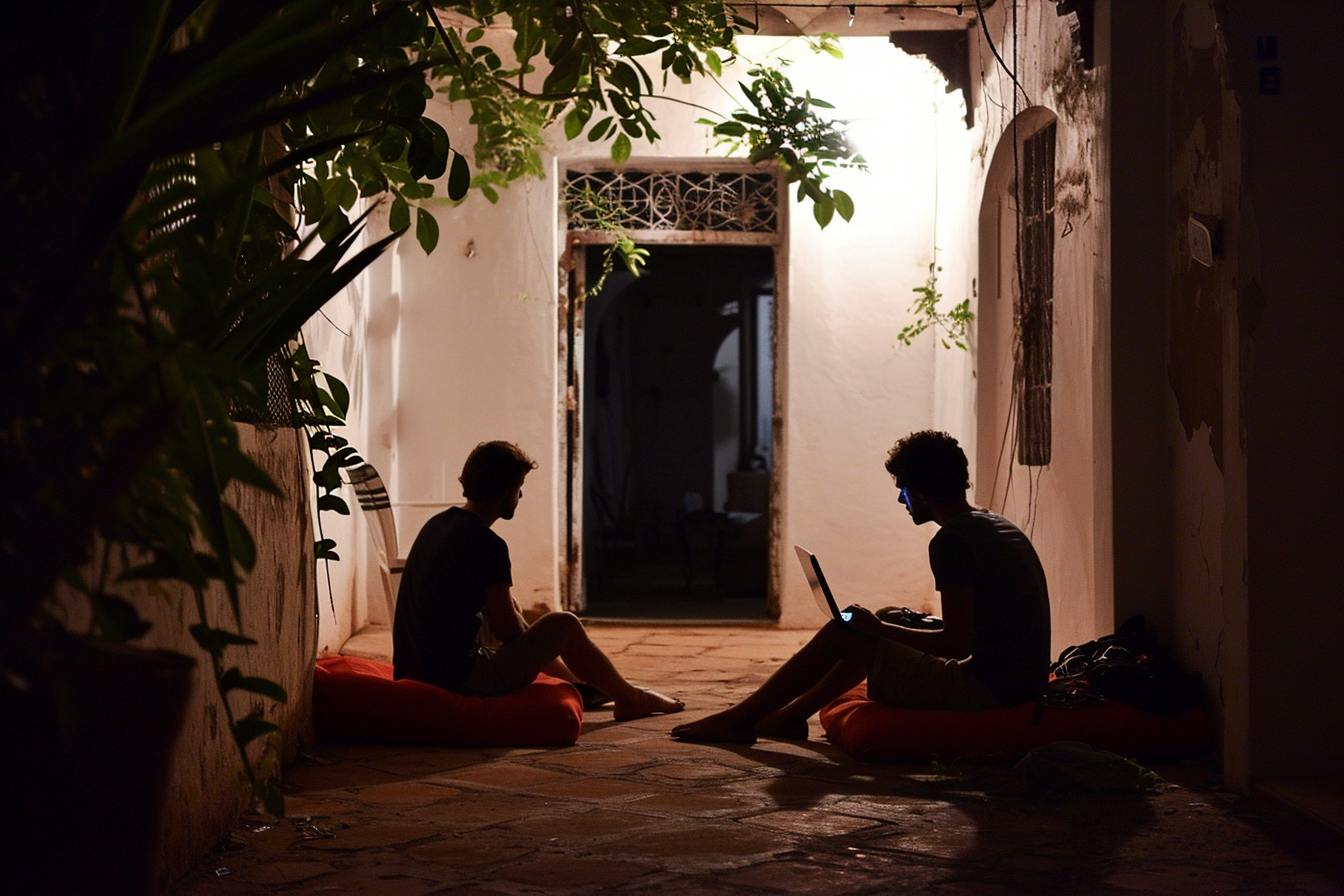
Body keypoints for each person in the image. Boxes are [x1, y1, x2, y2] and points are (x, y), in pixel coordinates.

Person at [671, 430, 1050, 743]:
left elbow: (956, 643)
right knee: (882, 617)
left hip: (989, 692)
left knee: (846, 632)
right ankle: (789, 716)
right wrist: (885, 624)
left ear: (921, 492)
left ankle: (740, 719)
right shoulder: (990, 522)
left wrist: (877, 631)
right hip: (1019, 680)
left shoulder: (951, 540)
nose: (900, 499)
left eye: (902, 489)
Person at [393, 440, 684, 721]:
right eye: (519, 489)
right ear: (506, 491)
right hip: (457, 678)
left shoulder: (438, 524)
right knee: (563, 625)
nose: (520, 497)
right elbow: (509, 631)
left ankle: (587, 686)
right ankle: (631, 698)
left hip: (412, 670)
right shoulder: (488, 544)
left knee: (514, 607)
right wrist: (533, 636)